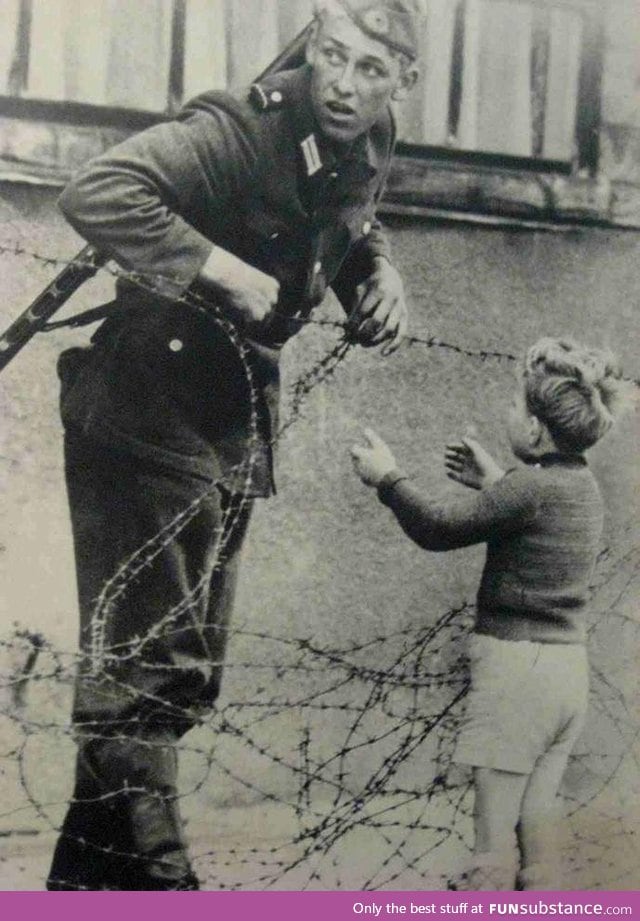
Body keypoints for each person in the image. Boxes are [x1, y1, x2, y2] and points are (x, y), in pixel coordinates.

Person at [46, 0, 423, 892]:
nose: (342, 82)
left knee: (181, 665)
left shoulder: (370, 140)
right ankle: (169, 886)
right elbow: (96, 190)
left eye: (371, 69)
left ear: (402, 82)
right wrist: (220, 269)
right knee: (150, 667)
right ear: (314, 48)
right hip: (147, 409)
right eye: (332, 55)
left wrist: (379, 273)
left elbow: (355, 218)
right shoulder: (239, 126)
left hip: (230, 420)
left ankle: (83, 884)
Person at [350, 337, 632, 891]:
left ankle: (485, 896)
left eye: (515, 406)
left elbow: (437, 529)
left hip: (516, 671)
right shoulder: (582, 487)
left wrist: (388, 478)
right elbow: (536, 517)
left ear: (534, 430)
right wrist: (497, 483)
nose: (508, 412)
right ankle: (544, 894)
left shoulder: (527, 488)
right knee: (538, 810)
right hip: (566, 671)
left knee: (493, 827)